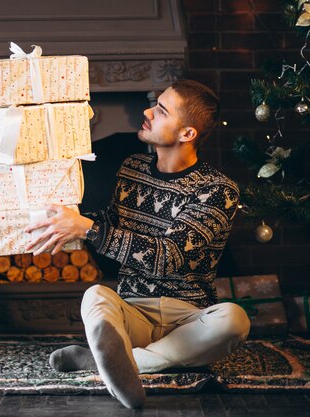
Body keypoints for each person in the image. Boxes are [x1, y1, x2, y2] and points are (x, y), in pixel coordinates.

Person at [25, 79, 250, 409]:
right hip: (132, 313)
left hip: (188, 321)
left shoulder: (218, 190)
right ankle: (120, 356)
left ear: (187, 133)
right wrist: (61, 221)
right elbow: (110, 224)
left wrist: (87, 229)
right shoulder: (132, 168)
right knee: (95, 294)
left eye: (160, 110)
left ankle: (115, 362)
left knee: (235, 320)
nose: (147, 112)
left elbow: (168, 257)